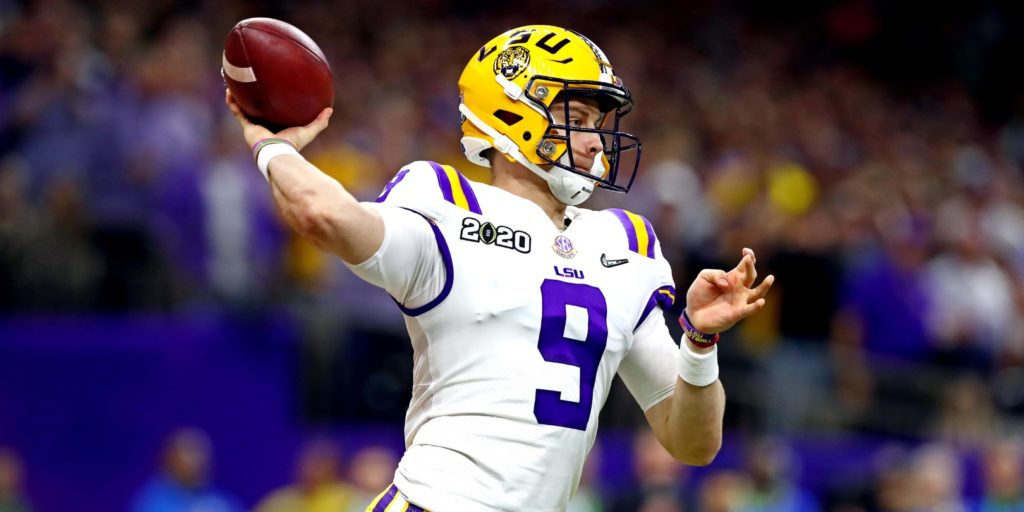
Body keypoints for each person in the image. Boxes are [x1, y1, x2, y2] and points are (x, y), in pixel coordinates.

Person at [226, 24, 773, 512]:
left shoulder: (626, 243)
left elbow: (692, 443)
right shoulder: (447, 203)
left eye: (597, 122)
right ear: (511, 112)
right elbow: (325, 215)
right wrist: (272, 147)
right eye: (575, 118)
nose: (593, 140)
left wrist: (699, 342)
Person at [132, 428, 244, 512]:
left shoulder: (218, 500)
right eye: (190, 452)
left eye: (201, 452)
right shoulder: (153, 502)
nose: (199, 460)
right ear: (171, 458)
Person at [254, 438, 355, 512]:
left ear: (334, 466)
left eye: (319, 464)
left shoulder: (352, 499)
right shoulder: (280, 500)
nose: (309, 469)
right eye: (307, 462)